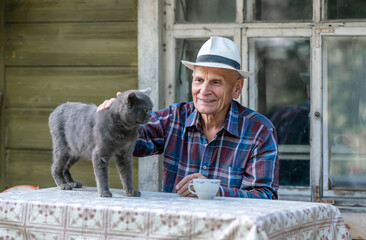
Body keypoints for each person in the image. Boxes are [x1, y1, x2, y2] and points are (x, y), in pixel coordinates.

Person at [98, 36, 279, 199]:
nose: (204, 91)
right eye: (199, 80)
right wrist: (118, 119)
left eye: (216, 82)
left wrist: (214, 190)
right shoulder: (174, 117)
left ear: (237, 88)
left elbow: (265, 196)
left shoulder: (259, 131)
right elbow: (133, 145)